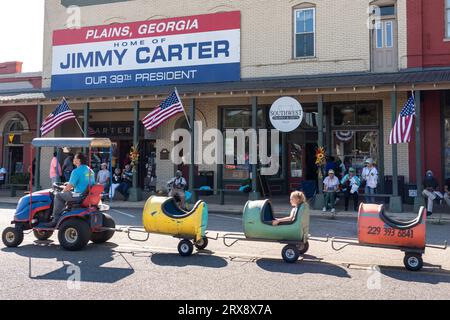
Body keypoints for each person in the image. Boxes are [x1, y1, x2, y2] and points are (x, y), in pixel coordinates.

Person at [42, 152, 95, 228]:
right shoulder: (90, 170)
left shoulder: (76, 171)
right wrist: (68, 184)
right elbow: (83, 182)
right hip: (86, 195)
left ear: (78, 160)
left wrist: (64, 190)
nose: (73, 159)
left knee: (58, 196)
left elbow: (69, 187)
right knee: (66, 193)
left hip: (79, 196)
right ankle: (64, 211)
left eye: (75, 158)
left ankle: (55, 219)